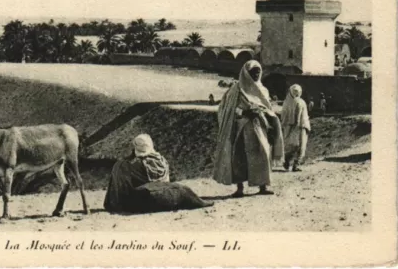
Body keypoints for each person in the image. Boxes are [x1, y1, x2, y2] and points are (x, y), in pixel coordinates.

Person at [213, 60, 284, 198]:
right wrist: (244, 112)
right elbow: (228, 108)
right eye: (253, 72)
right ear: (246, 73)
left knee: (262, 154)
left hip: (259, 126)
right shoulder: (236, 90)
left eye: (258, 72)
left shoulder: (262, 90)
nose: (256, 74)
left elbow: (267, 108)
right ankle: (240, 189)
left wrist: (265, 116)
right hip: (241, 128)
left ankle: (263, 185)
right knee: (239, 158)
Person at [104, 134, 212, 213]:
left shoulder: (125, 165)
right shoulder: (161, 160)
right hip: (161, 196)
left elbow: (118, 189)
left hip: (136, 200)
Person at [281, 85, 311, 172]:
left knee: (291, 146)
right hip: (300, 126)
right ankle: (295, 165)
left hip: (288, 127)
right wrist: (296, 124)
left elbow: (283, 116)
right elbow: (298, 116)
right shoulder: (300, 102)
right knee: (301, 146)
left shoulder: (286, 102)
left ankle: (286, 161)